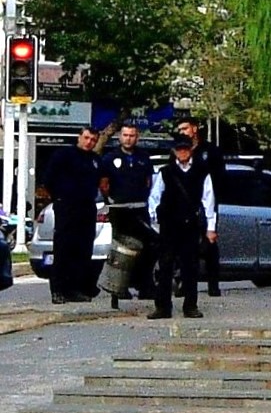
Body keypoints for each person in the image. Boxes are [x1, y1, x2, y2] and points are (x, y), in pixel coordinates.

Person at [147, 130, 216, 319]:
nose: (183, 153)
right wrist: (155, 222)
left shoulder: (202, 171)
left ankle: (190, 306)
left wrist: (211, 227)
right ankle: (162, 307)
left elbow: (208, 200)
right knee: (165, 267)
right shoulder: (166, 172)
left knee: (190, 267)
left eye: (185, 149)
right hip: (169, 225)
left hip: (190, 225)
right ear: (174, 151)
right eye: (179, 150)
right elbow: (154, 198)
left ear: (191, 150)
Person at [38, 126, 103, 303]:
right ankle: (58, 290)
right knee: (64, 248)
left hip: (87, 207)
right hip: (67, 207)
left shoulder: (95, 160)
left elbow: (99, 182)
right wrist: (60, 197)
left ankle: (76, 289)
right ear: (79, 137)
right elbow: (48, 179)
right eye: (87, 138)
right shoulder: (63, 156)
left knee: (82, 249)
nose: (89, 142)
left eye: (93, 140)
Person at [98, 122, 152, 308]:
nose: (129, 139)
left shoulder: (144, 158)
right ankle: (119, 288)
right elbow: (104, 184)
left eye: (132, 135)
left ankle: (144, 285)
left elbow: (148, 182)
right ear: (120, 137)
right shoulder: (110, 158)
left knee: (147, 247)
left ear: (137, 137)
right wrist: (112, 200)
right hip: (119, 209)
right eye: (126, 135)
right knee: (122, 250)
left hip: (140, 209)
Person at [173, 120, 228, 297]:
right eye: (180, 129)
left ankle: (213, 284)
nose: (182, 132)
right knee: (185, 246)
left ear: (194, 129)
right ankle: (185, 282)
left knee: (209, 244)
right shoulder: (178, 151)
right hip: (184, 206)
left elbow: (219, 177)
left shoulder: (210, 150)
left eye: (185, 128)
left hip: (205, 203)